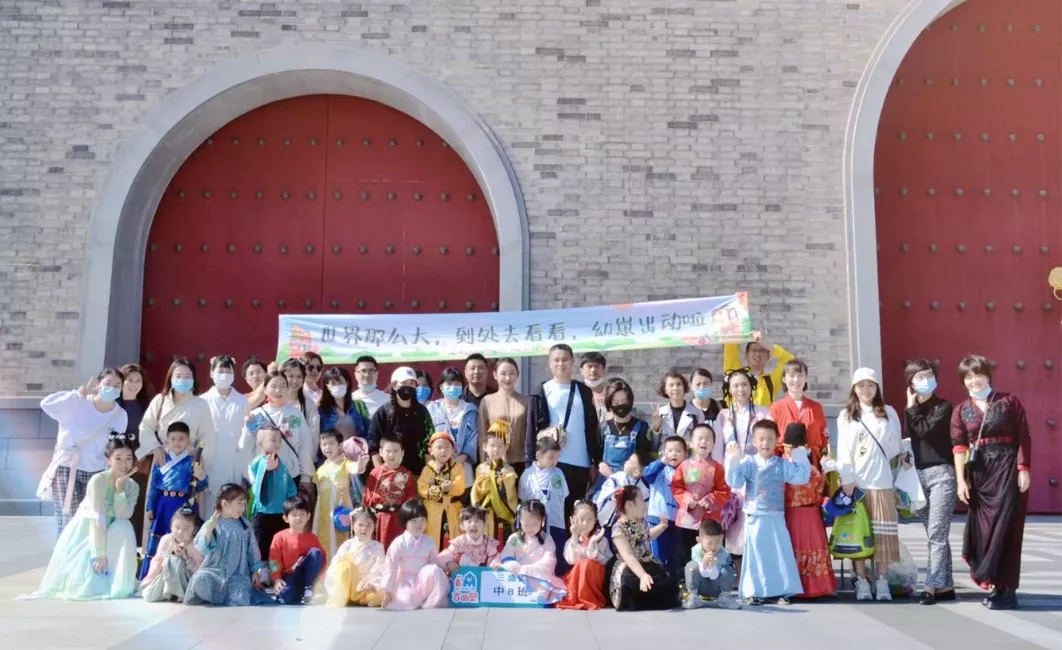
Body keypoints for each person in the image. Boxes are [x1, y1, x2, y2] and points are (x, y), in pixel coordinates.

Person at [951, 354, 1031, 611]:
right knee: (984, 531)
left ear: (987, 374)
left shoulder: (1009, 401)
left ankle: (1008, 590)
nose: (973, 380)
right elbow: (959, 447)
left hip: (1007, 470)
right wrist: (961, 481)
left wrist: (1023, 468)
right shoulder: (961, 410)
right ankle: (994, 583)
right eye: (968, 377)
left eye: (977, 374)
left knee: (1006, 529)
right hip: (980, 476)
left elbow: (1023, 436)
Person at [34, 433, 139, 601]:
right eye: (118, 458)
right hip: (90, 528)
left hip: (112, 528)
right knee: (87, 577)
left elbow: (122, 515)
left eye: (128, 458)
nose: (124, 464)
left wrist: (120, 489)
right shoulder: (98, 480)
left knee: (124, 526)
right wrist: (99, 553)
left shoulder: (132, 486)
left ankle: (119, 581)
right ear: (108, 460)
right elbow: (97, 517)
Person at [724, 420, 810, 605]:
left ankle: (781, 590)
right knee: (756, 555)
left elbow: (801, 476)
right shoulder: (748, 462)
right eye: (761, 439)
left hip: (776, 516)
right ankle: (753, 591)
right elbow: (735, 482)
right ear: (754, 441)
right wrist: (733, 461)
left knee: (779, 553)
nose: (765, 443)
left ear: (776, 440)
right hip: (755, 516)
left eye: (769, 439)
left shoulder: (782, 464)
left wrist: (799, 453)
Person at [836, 367, 902, 602]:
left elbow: (895, 447)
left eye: (871, 385)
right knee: (858, 533)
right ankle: (861, 580)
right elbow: (843, 450)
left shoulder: (888, 413)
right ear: (854, 388)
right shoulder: (847, 416)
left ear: (877, 388)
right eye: (861, 385)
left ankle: (882, 581)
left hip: (882, 481)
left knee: (882, 534)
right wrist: (847, 479)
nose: (866, 390)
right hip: (857, 484)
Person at [38, 368, 130, 536]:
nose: (112, 388)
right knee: (67, 519)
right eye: (108, 383)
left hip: (98, 471)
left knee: (92, 518)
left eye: (117, 385)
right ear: (97, 385)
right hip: (68, 468)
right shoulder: (78, 403)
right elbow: (46, 404)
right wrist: (75, 395)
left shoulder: (120, 415)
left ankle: (85, 558)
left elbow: (115, 446)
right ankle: (64, 558)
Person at [902, 358, 957, 606]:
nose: (926, 380)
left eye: (929, 375)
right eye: (919, 377)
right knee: (935, 533)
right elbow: (911, 441)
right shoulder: (911, 410)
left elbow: (926, 431)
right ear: (911, 383)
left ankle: (931, 586)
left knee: (937, 532)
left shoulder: (944, 407)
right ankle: (946, 584)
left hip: (942, 473)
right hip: (918, 475)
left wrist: (911, 408)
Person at [527, 344, 601, 521]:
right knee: (549, 514)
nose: (561, 364)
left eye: (565, 359)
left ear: (573, 362)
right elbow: (531, 428)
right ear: (549, 364)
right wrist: (531, 460)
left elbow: (592, 427)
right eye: (556, 360)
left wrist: (594, 461)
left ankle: (572, 549)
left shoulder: (583, 391)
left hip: (580, 463)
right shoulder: (541, 390)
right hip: (551, 462)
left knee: (574, 514)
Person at [717, 367, 772, 577]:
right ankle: (737, 572)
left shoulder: (762, 412)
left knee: (755, 521)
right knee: (734, 522)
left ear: (751, 387)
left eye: (744, 385)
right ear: (729, 389)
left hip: (756, 473)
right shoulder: (723, 416)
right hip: (732, 476)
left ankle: (758, 571)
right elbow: (717, 448)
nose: (740, 389)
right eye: (736, 385)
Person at [137, 358, 216, 501]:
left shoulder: (200, 404)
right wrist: (155, 448)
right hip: (163, 459)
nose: (183, 380)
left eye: (187, 376)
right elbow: (146, 427)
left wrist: (200, 460)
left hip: (188, 461)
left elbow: (207, 436)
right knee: (157, 504)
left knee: (186, 510)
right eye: (178, 376)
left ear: (193, 379)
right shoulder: (159, 401)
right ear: (170, 378)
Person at [140, 421, 208, 580]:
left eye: (181, 439)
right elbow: (154, 486)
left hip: (183, 504)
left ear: (188, 440)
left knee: (183, 535)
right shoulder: (161, 459)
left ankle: (183, 575)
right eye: (173, 439)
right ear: (167, 440)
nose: (177, 443)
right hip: (163, 503)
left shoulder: (192, 461)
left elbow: (202, 486)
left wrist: (201, 476)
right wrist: (151, 506)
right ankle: (153, 575)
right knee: (162, 538)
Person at [184, 483, 272, 606]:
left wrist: (255, 572)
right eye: (239, 503)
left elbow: (252, 549)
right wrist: (209, 529)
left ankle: (219, 596)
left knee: (240, 592)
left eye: (244, 504)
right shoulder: (213, 523)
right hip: (214, 571)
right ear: (225, 504)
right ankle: (220, 595)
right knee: (200, 579)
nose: (242, 508)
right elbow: (203, 549)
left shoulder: (245, 525)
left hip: (239, 574)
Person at [239, 371, 316, 498]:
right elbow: (244, 447)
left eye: (282, 386)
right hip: (264, 475)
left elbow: (305, 445)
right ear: (265, 389)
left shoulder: (295, 414)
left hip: (291, 475)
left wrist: (306, 476)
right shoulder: (256, 415)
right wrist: (248, 428)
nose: (278, 390)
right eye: (273, 386)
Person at [781, 423, 835, 599]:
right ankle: (820, 586)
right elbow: (820, 491)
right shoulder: (812, 470)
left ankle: (795, 585)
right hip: (812, 515)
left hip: (792, 515)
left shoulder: (784, 467)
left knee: (795, 548)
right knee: (814, 548)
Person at [608, 485, 681, 611]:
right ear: (630, 505)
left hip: (647, 561)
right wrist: (642, 575)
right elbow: (628, 555)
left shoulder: (641, 521)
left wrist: (662, 527)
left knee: (668, 585)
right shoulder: (618, 528)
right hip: (629, 567)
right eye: (641, 498)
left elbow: (645, 537)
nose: (644, 502)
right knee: (631, 585)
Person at [672, 424, 731, 570]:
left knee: (710, 552)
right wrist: (687, 499)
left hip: (709, 519)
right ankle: (688, 581)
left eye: (708, 439)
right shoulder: (683, 466)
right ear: (691, 443)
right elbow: (676, 487)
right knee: (686, 551)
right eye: (700, 438)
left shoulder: (717, 468)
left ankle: (710, 581)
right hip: (688, 518)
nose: (704, 442)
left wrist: (711, 499)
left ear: (713, 444)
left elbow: (724, 490)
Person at [374, 499, 450, 610]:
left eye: (422, 520)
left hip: (423, 579)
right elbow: (391, 568)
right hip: (406, 581)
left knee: (434, 570)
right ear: (405, 522)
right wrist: (388, 591)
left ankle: (428, 598)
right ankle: (414, 597)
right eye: (414, 521)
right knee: (406, 601)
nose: (419, 524)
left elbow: (433, 562)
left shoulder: (429, 541)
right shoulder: (398, 543)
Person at [201, 355, 251, 512]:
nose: (224, 374)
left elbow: (247, 432)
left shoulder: (242, 401)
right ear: (211, 373)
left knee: (233, 502)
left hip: (234, 459)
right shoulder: (203, 401)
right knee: (210, 507)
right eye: (220, 370)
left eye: (228, 370)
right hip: (210, 460)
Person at [494, 500, 567, 605]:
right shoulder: (515, 538)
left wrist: (530, 569)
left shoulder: (546, 538)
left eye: (534, 524)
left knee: (543, 588)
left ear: (542, 520)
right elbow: (507, 553)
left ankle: (539, 597)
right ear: (520, 520)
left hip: (539, 575)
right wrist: (514, 566)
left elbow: (549, 558)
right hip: (518, 573)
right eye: (526, 524)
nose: (530, 528)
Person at [368, 366, 434, 477]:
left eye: (412, 383)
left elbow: (428, 444)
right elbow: (373, 445)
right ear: (394, 386)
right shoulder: (383, 412)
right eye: (404, 383)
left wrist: (429, 474)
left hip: (418, 474)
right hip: (390, 475)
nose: (408, 387)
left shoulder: (422, 412)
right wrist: (381, 475)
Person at [314, 429, 369, 562]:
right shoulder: (321, 468)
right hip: (322, 510)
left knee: (340, 539)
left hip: (339, 507)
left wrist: (360, 464)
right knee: (322, 538)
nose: (327, 447)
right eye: (324, 444)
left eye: (331, 443)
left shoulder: (345, 463)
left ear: (339, 445)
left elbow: (355, 468)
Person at [593, 379, 651, 496]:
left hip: (631, 483)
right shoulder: (603, 427)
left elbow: (645, 456)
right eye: (616, 402)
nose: (620, 405)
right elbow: (595, 455)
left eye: (624, 401)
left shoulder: (642, 427)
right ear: (609, 403)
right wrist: (600, 464)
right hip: (606, 483)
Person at [116, 363, 154, 548]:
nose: (134, 384)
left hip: (139, 467)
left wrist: (142, 458)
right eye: (129, 379)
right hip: (116, 467)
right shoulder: (114, 405)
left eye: (138, 380)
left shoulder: (146, 405)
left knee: (137, 508)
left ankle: (137, 551)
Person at [519, 437, 570, 571]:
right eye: (551, 457)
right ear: (538, 455)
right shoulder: (527, 475)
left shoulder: (559, 473)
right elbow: (523, 499)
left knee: (558, 554)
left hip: (555, 521)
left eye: (557, 457)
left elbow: (564, 495)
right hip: (534, 525)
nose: (555, 461)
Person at [248, 427, 298, 561]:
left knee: (278, 545)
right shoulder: (260, 460)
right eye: (273, 440)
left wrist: (292, 502)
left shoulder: (279, 461)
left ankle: (275, 572)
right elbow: (258, 482)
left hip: (280, 511)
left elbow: (288, 484)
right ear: (260, 442)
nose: (277, 443)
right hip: (264, 512)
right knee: (262, 545)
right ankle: (262, 573)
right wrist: (267, 469)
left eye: (279, 440)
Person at [426, 367, 479, 492]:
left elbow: (474, 436)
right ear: (441, 386)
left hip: (463, 467)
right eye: (449, 384)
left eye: (457, 384)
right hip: (439, 467)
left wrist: (461, 458)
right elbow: (427, 437)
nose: (453, 387)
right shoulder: (432, 409)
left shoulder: (470, 409)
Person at [769, 359, 830, 467]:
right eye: (791, 375)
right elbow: (772, 438)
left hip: (812, 463)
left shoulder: (816, 407)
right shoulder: (776, 407)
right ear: (784, 379)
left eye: (800, 375)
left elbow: (824, 439)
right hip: (785, 463)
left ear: (806, 378)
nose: (796, 379)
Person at [269, 495, 327, 605]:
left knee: (316, 552)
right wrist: (276, 579)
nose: (298, 518)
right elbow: (274, 560)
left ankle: (309, 589)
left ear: (308, 516)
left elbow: (322, 558)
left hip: (309, 577)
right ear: (286, 518)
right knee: (285, 597)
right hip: (290, 577)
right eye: (294, 515)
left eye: (302, 514)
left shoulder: (312, 538)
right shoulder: (279, 537)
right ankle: (301, 594)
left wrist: (320, 578)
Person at [362, 435, 417, 549]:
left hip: (397, 520)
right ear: (381, 452)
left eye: (396, 451)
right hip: (378, 518)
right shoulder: (375, 472)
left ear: (402, 453)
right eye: (388, 451)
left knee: (396, 549)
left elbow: (411, 500)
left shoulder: (407, 474)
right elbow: (367, 498)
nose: (392, 455)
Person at [477, 357, 530, 474]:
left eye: (512, 373)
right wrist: (482, 464)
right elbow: (482, 434)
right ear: (495, 375)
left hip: (521, 461)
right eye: (503, 373)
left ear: (517, 374)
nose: (508, 378)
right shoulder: (487, 401)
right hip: (495, 461)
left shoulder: (527, 401)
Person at [324, 507, 386, 607]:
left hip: (365, 586)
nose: (364, 528)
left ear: (375, 526)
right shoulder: (347, 545)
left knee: (377, 595)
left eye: (369, 525)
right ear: (353, 526)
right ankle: (344, 596)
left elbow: (379, 568)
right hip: (347, 585)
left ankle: (362, 597)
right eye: (360, 525)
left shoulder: (378, 547)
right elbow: (335, 564)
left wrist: (370, 580)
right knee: (344, 566)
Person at [556, 500, 611, 610]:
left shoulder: (601, 539)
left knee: (586, 564)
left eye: (590, 519)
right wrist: (575, 537)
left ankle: (589, 597)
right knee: (581, 565)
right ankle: (579, 596)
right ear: (574, 519)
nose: (585, 523)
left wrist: (592, 544)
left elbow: (606, 563)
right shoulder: (572, 540)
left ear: (595, 520)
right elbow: (571, 561)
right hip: (577, 578)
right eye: (581, 519)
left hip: (594, 579)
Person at [140, 507, 203, 603]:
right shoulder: (166, 539)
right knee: (149, 596)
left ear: (194, 530)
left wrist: (185, 558)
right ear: (171, 526)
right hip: (166, 578)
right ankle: (169, 592)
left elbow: (199, 570)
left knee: (175, 561)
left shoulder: (195, 544)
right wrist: (150, 579)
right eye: (177, 527)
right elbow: (157, 560)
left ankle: (180, 594)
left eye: (186, 529)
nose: (180, 532)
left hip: (187, 582)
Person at [642, 436, 684, 579]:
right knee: (657, 555)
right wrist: (660, 463)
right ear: (663, 453)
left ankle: (671, 586)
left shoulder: (685, 471)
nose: (674, 454)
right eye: (670, 450)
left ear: (685, 455)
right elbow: (647, 474)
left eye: (678, 451)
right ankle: (656, 585)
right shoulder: (660, 469)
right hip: (657, 519)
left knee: (672, 556)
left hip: (675, 520)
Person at [418, 430, 466, 550]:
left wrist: (450, 487)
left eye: (447, 447)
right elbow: (421, 488)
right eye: (439, 447)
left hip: (453, 508)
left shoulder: (458, 467)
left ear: (453, 450)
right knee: (433, 537)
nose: (443, 451)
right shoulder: (428, 468)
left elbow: (460, 487)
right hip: (433, 508)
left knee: (454, 537)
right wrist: (440, 489)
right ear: (431, 451)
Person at [470, 431, 519, 545]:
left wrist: (506, 479)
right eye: (492, 446)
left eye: (500, 446)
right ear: (484, 447)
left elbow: (511, 494)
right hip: (487, 512)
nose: (496, 449)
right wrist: (492, 481)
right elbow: (478, 491)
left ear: (505, 448)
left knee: (504, 541)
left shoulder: (509, 469)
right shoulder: (481, 468)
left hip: (504, 513)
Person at [722, 331, 794, 407]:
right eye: (753, 350)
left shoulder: (770, 382)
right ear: (746, 355)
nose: (757, 354)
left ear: (768, 356)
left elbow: (789, 360)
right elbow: (730, 341)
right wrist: (741, 331)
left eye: (762, 351)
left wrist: (766, 344)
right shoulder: (735, 374)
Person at [683, 519, 742, 609]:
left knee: (727, 569)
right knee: (691, 566)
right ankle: (693, 596)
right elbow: (703, 573)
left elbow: (713, 576)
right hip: (701, 585)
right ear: (699, 540)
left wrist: (713, 566)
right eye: (709, 543)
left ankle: (725, 597)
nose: (714, 546)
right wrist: (704, 564)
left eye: (718, 542)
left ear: (722, 538)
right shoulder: (696, 550)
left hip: (716, 586)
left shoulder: (723, 553)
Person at [595, 452, 649, 534]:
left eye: (630, 461)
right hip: (606, 521)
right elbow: (606, 491)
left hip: (628, 527)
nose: (626, 462)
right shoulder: (618, 477)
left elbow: (645, 509)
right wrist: (613, 495)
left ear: (636, 472)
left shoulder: (643, 489)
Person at [280, 358, 322, 463]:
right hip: (277, 462)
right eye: (291, 376)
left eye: (299, 376)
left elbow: (314, 437)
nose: (295, 381)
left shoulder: (308, 405)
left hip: (301, 463)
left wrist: (307, 465)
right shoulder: (274, 402)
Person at [649, 371, 703, 448]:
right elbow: (653, 445)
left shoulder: (696, 413)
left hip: (687, 457)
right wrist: (656, 426)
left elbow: (700, 441)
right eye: (671, 385)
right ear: (665, 390)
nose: (675, 388)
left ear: (684, 387)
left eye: (679, 384)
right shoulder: (660, 413)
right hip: (665, 457)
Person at [438, 506, 501, 570]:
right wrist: (449, 562)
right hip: (462, 575)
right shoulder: (459, 542)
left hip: (482, 575)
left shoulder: (489, 543)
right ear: (462, 526)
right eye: (469, 521)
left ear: (484, 525)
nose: (473, 524)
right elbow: (447, 554)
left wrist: (494, 564)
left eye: (477, 521)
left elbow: (494, 557)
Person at [318, 367, 371, 443]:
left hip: (358, 452)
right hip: (333, 454)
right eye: (333, 383)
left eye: (340, 382)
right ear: (327, 386)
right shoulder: (322, 411)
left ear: (347, 383)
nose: (337, 386)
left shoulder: (359, 405)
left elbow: (369, 431)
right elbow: (319, 438)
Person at [578, 351, 609, 422]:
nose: (593, 370)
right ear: (581, 371)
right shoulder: (577, 393)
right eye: (589, 366)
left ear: (604, 370)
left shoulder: (610, 393)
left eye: (597, 366)